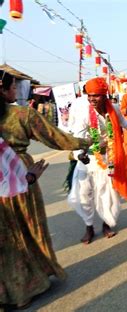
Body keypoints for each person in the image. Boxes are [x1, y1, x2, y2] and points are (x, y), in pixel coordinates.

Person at [0, 70, 90, 308]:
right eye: (13, 87)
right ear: (4, 90)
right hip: (17, 174)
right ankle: (29, 285)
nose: (17, 91)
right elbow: (55, 138)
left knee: (5, 236)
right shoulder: (22, 113)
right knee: (27, 228)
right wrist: (84, 143)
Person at [68, 77, 127, 244]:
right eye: (89, 96)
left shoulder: (113, 108)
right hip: (88, 158)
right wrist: (79, 153)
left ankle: (106, 223)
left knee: (107, 193)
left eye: (95, 96)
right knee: (82, 194)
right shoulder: (85, 113)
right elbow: (78, 136)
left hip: (109, 156)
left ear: (105, 96)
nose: (92, 99)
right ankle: (89, 226)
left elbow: (123, 121)